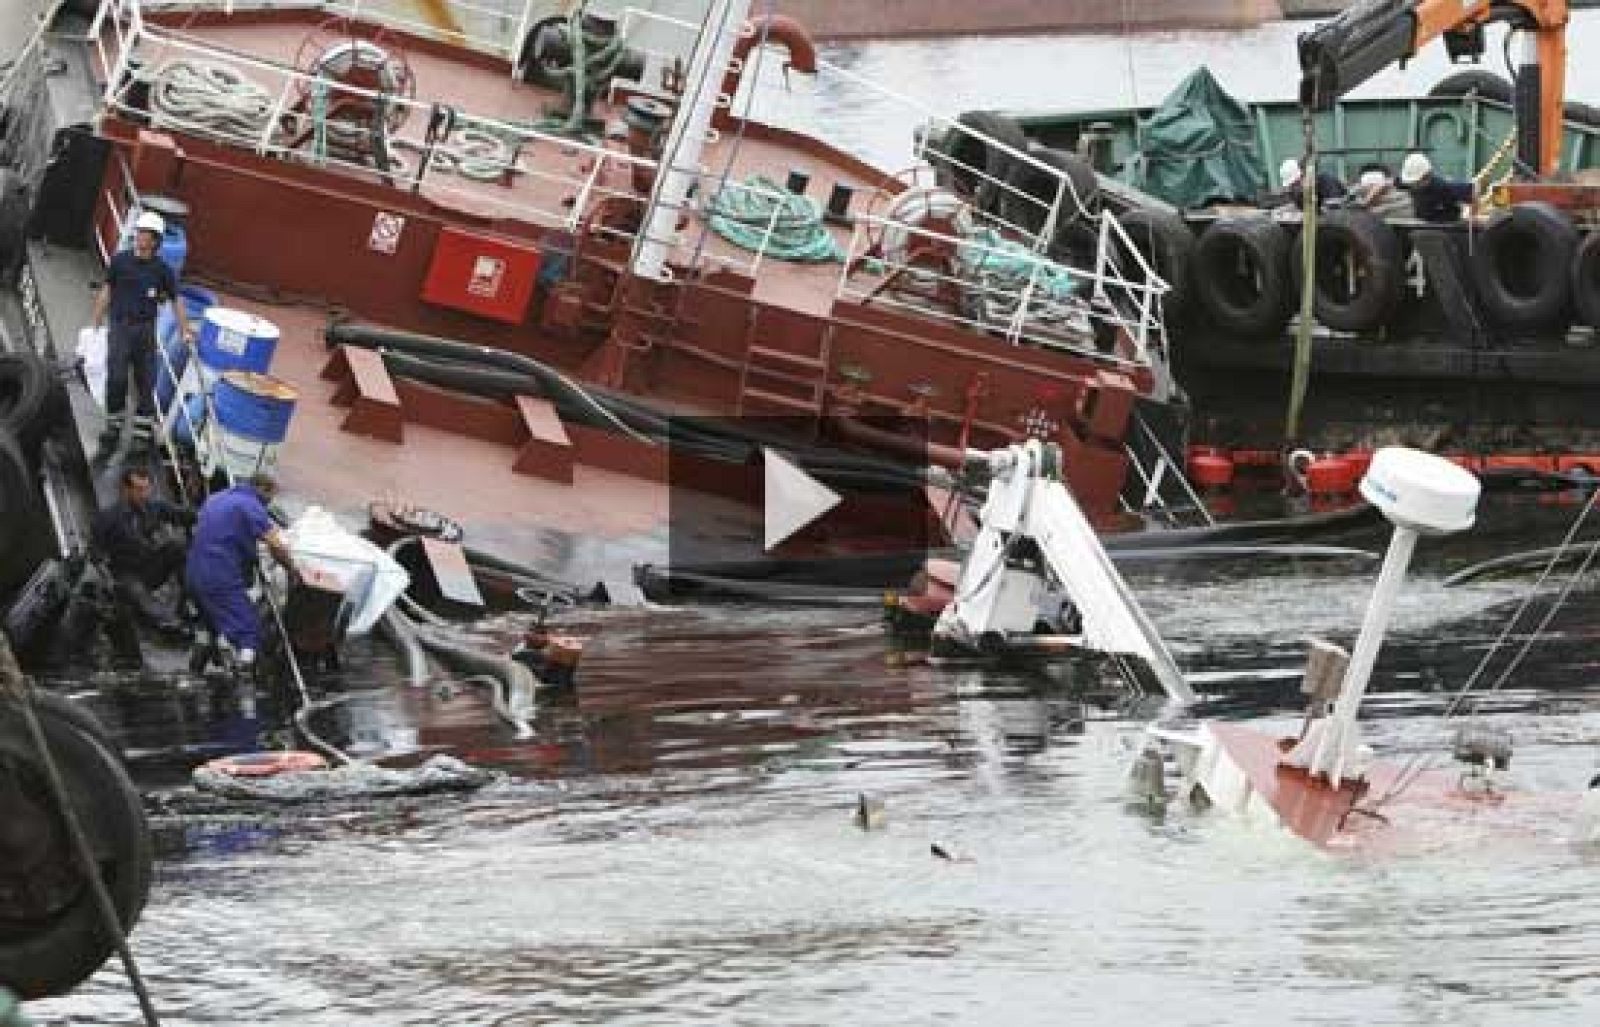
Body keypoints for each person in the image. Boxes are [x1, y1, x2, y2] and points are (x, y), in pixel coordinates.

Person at [89, 210, 193, 455]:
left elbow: (176, 300)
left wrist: (185, 330)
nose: (139, 236)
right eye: (139, 232)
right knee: (116, 377)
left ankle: (141, 433)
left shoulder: (163, 271)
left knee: (146, 381)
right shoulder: (120, 262)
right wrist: (96, 321)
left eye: (145, 233)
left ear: (155, 241)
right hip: (120, 327)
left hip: (145, 330)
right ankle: (113, 426)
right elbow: (107, 290)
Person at [185, 474, 297, 667]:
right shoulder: (250, 505)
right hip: (220, 575)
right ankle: (245, 676)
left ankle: (196, 668)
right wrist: (292, 569)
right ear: (262, 489)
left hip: (193, 571)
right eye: (270, 496)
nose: (270, 502)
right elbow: (276, 545)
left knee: (210, 625)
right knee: (248, 630)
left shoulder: (216, 498)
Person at [90, 467, 195, 634]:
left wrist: (210, 513)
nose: (144, 494)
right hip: (126, 574)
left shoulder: (154, 507)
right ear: (126, 490)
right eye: (139, 489)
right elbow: (95, 554)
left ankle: (189, 603)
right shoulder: (106, 518)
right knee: (137, 592)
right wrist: (108, 581)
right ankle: (167, 621)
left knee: (177, 548)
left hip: (150, 567)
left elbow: (184, 515)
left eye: (147, 488)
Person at [1399, 152, 1474, 223]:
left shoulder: (1443, 187)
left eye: (1417, 183)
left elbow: (1473, 191)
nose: (1414, 186)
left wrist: (1465, 212)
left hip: (1444, 224)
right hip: (1424, 220)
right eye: (1412, 184)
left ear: (1428, 177)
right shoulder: (1407, 184)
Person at [1274, 158, 1345, 208]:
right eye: (1292, 186)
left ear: (1303, 175)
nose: (1295, 188)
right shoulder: (1297, 193)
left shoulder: (1326, 182)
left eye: (1296, 184)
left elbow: (1335, 207)